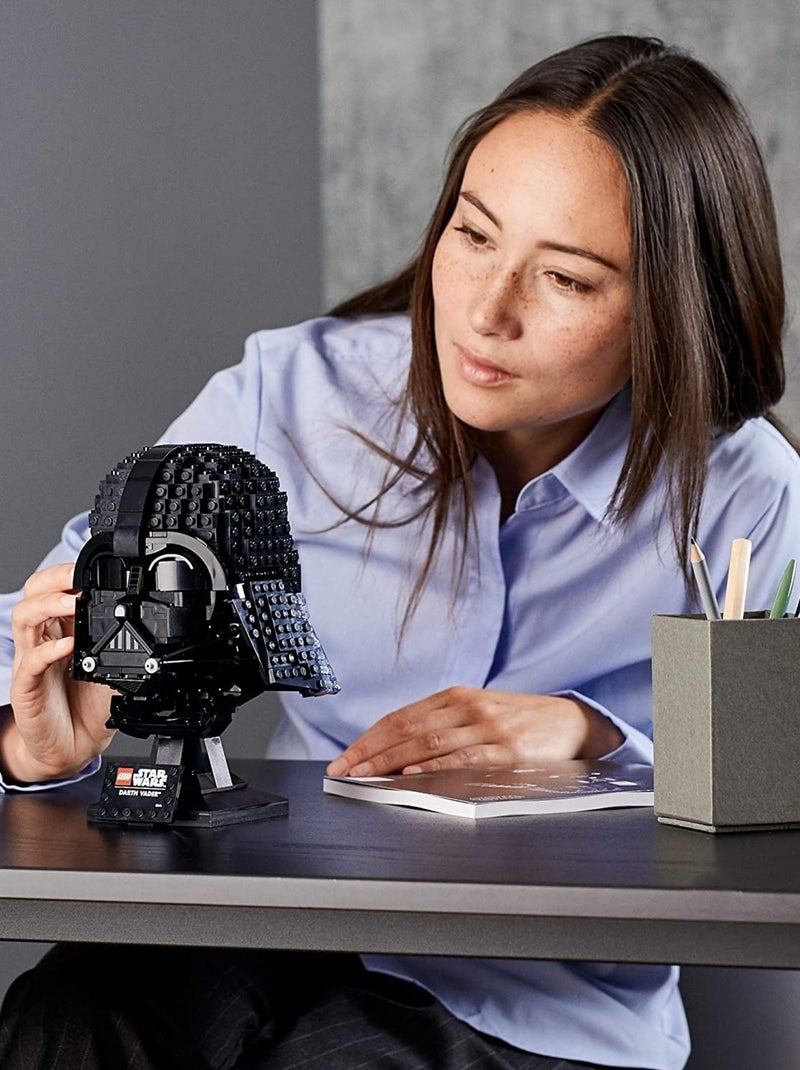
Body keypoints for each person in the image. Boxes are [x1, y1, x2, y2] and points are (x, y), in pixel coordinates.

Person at [0, 31, 797, 1070]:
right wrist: (31, 747)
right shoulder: (295, 397)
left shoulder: (748, 496)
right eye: (472, 234)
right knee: (62, 1025)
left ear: (673, 307)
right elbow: (45, 615)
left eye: (565, 279)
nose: (485, 311)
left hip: (535, 992)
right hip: (270, 914)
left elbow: (781, 779)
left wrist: (595, 737)